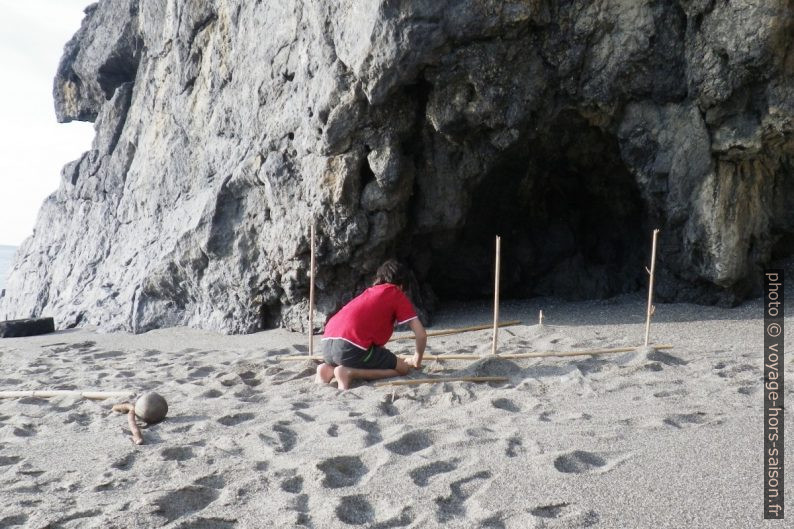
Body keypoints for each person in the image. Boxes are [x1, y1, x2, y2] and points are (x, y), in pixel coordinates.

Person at [315, 259, 427, 390]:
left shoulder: (369, 292)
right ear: (402, 285)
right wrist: (416, 360)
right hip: (350, 348)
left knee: (366, 357)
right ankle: (349, 372)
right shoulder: (395, 292)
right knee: (402, 369)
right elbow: (421, 335)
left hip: (326, 346)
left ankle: (327, 369)